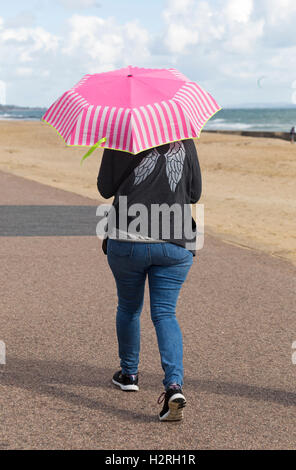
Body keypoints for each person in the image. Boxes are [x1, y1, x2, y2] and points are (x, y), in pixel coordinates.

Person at [97, 139, 202, 421]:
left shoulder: (119, 137)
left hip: (127, 239)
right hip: (175, 242)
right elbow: (194, 193)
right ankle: (173, 386)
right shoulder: (184, 139)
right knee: (165, 314)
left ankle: (129, 374)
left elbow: (105, 189)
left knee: (129, 308)